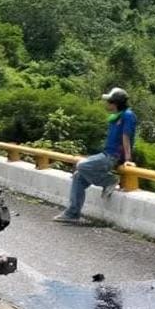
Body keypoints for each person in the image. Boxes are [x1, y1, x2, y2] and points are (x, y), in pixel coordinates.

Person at [54, 87, 137, 223]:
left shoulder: (128, 116)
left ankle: (109, 181)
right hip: (106, 153)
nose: (106, 104)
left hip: (113, 156)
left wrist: (127, 159)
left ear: (115, 103)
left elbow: (126, 137)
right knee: (78, 176)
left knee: (82, 165)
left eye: (109, 101)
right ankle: (73, 213)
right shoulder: (115, 117)